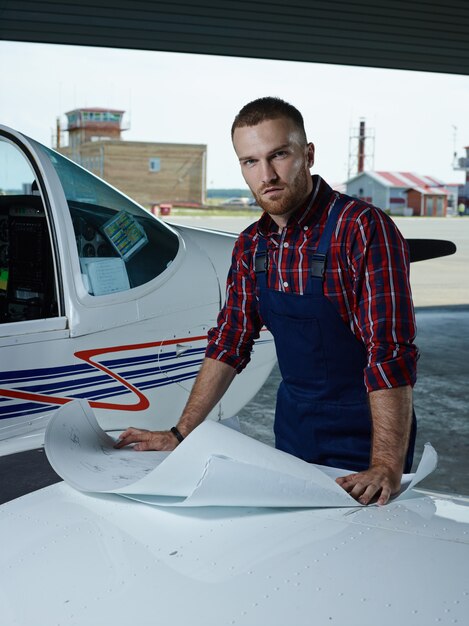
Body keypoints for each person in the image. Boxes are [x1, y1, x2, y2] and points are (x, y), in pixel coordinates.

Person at [116, 97, 418, 506]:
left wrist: (385, 465)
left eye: (279, 155)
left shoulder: (363, 229)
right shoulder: (251, 246)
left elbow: (389, 353)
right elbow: (229, 340)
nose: (267, 175)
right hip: (294, 430)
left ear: (307, 154)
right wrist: (180, 434)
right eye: (251, 162)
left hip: (366, 438)